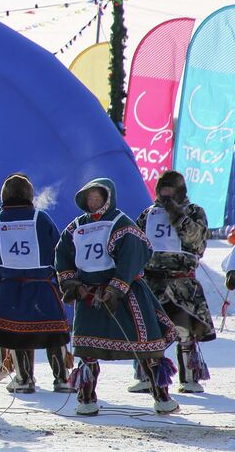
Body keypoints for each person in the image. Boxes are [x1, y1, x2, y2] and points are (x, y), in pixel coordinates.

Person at [54, 178, 178, 415]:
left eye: (97, 197)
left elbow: (133, 254)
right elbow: (63, 254)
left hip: (126, 293)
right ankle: (86, 399)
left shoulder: (122, 223)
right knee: (88, 352)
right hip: (89, 295)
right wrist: (72, 284)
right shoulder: (76, 227)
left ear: (107, 197)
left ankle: (161, 397)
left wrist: (115, 288)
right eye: (89, 198)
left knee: (147, 347)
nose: (92, 202)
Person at [0, 174, 73, 393]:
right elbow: (58, 251)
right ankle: (62, 380)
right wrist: (61, 282)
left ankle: (23, 379)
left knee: (17, 334)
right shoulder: (42, 218)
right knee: (54, 334)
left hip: (10, 288)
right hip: (42, 285)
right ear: (30, 195)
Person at [134, 171, 214, 394]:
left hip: (181, 283)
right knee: (148, 332)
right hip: (151, 282)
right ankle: (146, 376)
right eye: (162, 189)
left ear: (179, 190)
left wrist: (177, 216)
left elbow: (197, 243)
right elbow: (136, 242)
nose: (165, 194)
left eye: (170, 189)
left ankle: (189, 377)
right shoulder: (148, 214)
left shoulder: (194, 211)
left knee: (185, 331)